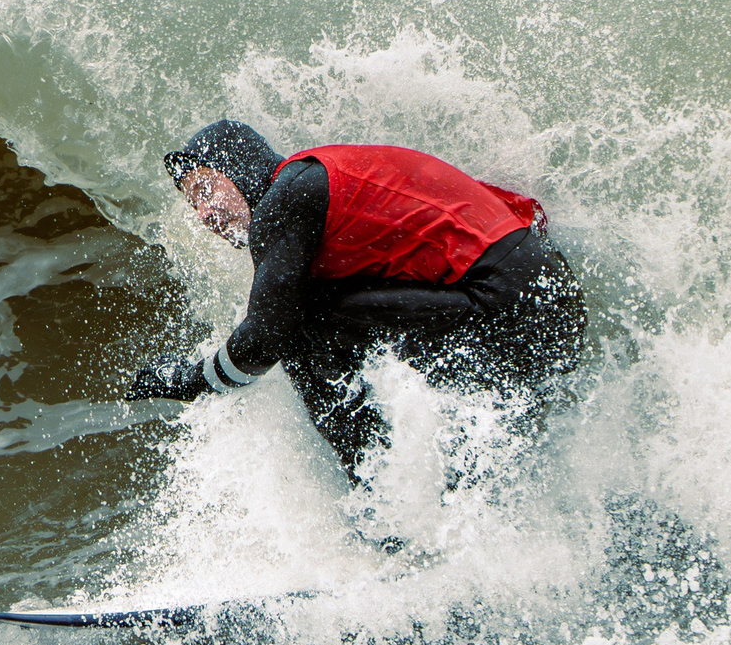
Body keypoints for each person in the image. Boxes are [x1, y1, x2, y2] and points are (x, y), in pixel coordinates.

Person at [129, 121, 585, 488]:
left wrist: (190, 379)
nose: (205, 214)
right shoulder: (320, 190)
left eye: (206, 190)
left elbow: (266, 338)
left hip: (505, 299)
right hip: (543, 305)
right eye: (194, 206)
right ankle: (442, 512)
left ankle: (380, 504)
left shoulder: (289, 194)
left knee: (300, 323)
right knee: (321, 323)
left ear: (239, 169)